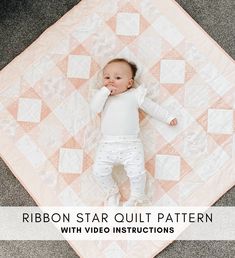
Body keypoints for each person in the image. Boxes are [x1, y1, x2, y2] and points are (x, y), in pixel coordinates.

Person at [90, 58, 177, 206]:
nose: (111, 81)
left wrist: (168, 117)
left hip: (131, 145)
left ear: (129, 83)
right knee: (98, 171)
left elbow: (152, 108)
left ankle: (136, 196)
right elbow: (94, 108)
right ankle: (112, 191)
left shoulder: (135, 95)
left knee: (137, 173)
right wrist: (104, 91)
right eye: (107, 77)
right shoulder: (103, 97)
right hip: (107, 144)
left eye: (117, 78)